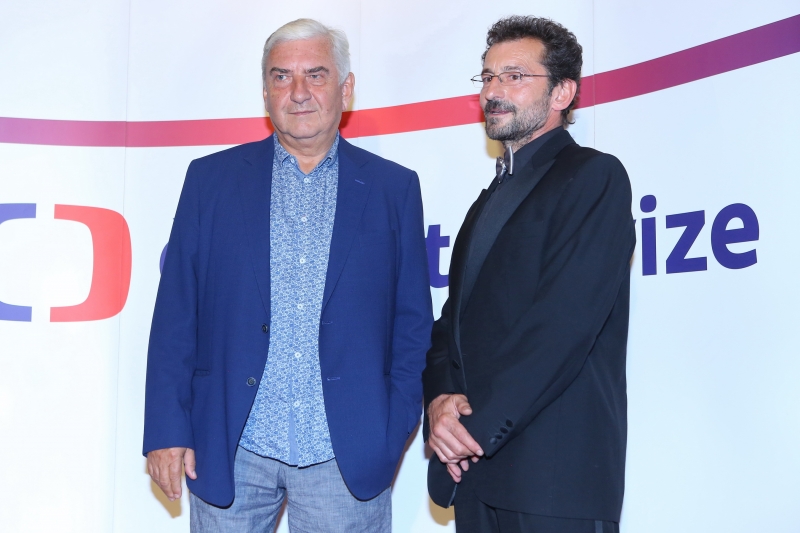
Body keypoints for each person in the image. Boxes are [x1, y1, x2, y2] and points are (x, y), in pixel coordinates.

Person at [143, 18, 432, 532]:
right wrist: (167, 429)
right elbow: (176, 316)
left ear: (345, 88)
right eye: (281, 77)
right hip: (231, 448)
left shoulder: (393, 189)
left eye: (315, 75)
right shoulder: (210, 181)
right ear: (265, 91)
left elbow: (412, 325)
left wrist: (389, 433)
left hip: (345, 456)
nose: (298, 92)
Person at [423, 16, 635, 533]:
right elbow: (452, 325)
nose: (493, 92)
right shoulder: (487, 201)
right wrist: (441, 402)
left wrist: (471, 432)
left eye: (514, 76)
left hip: (553, 480)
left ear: (563, 92)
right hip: (477, 479)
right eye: (487, 77)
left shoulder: (594, 177)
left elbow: (561, 327)